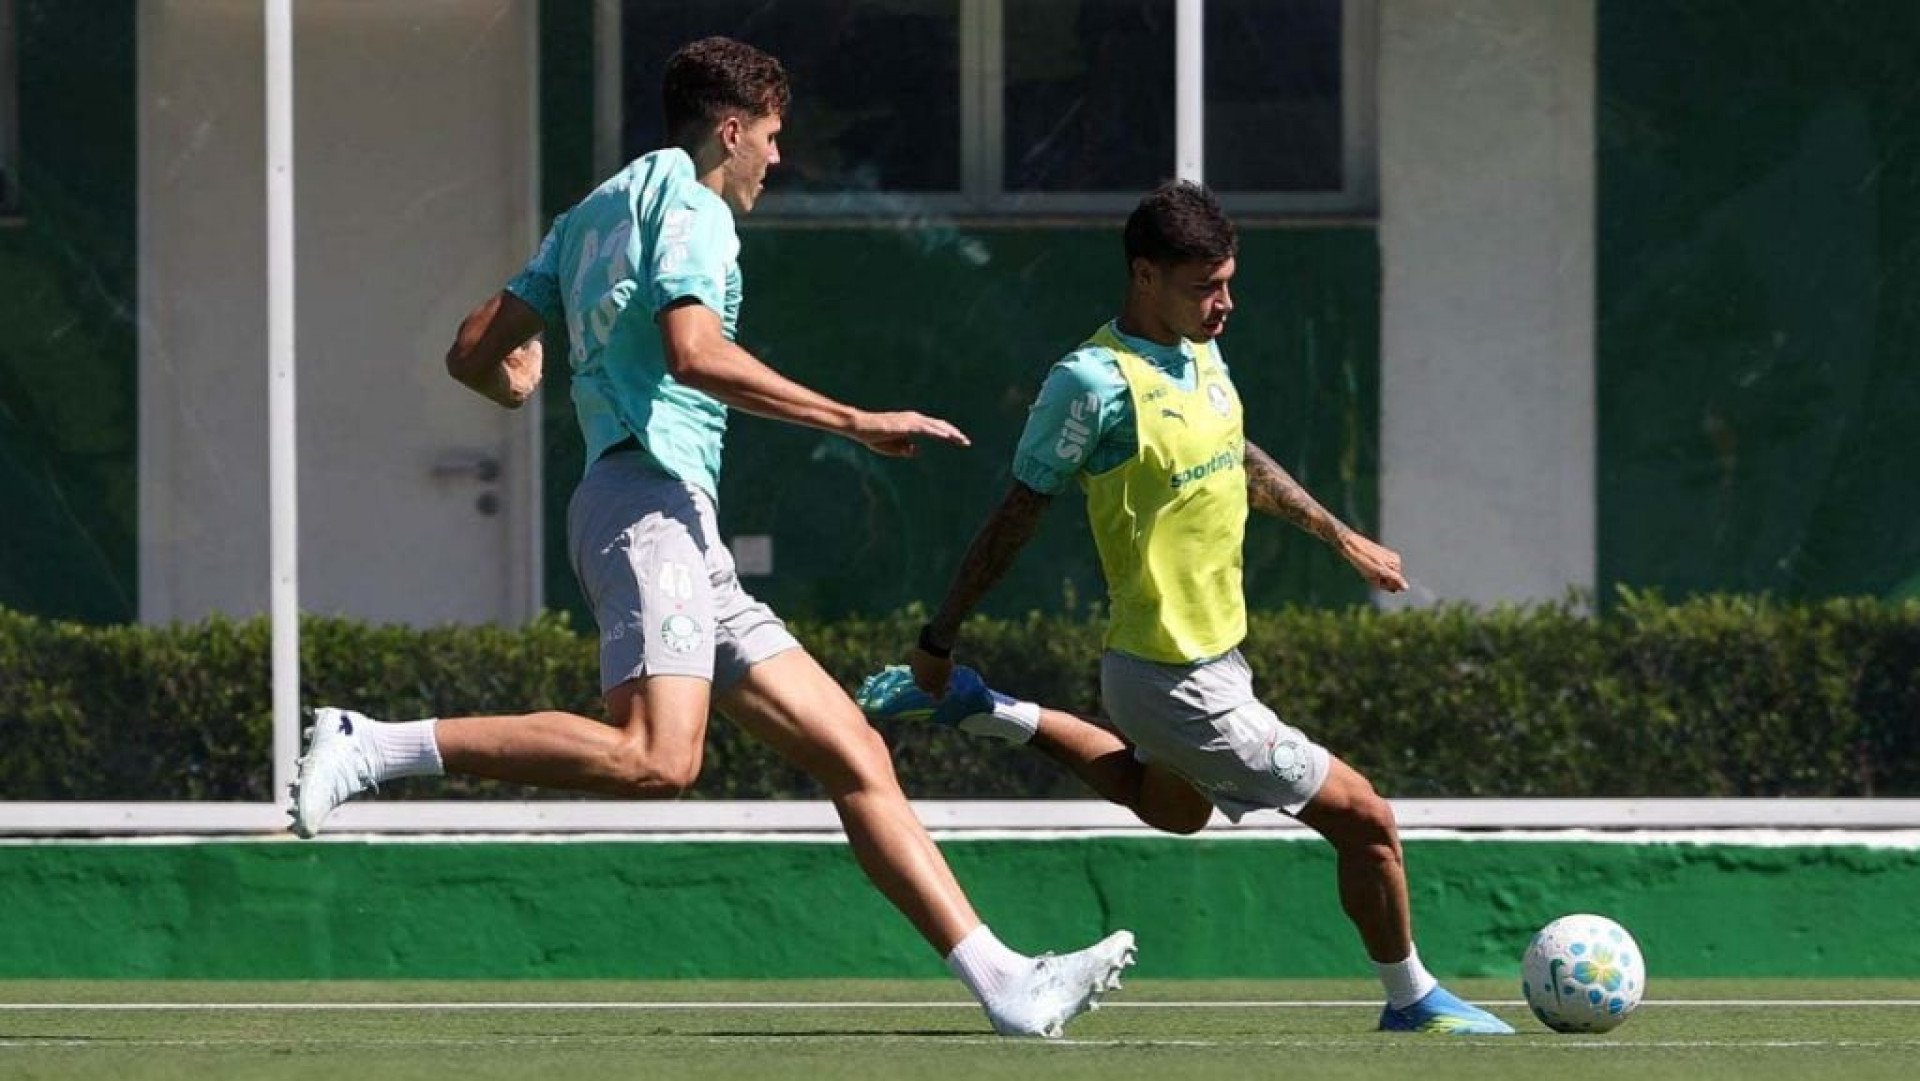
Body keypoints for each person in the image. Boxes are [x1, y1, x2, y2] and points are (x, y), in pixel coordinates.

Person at [285, 36, 1132, 1040]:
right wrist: (857, 420)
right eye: (770, 136)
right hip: (647, 510)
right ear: (729, 130)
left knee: (854, 749)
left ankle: (1006, 985)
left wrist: (515, 381)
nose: (777, 157)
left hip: (676, 523)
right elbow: (693, 354)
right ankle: (375, 744)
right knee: (658, 756)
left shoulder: (595, 210)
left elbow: (474, 350)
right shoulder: (692, 208)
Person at [857, 180, 1513, 1035]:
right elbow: (1015, 516)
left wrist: (1339, 535)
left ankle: (988, 707)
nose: (1224, 303)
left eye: (1228, 282)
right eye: (1205, 287)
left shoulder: (1200, 351)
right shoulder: (1092, 382)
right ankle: (1412, 998)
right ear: (1144, 276)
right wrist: (935, 639)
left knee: (1174, 806)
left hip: (1202, 662)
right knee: (1367, 820)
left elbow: (1234, 452)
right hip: (1174, 680)